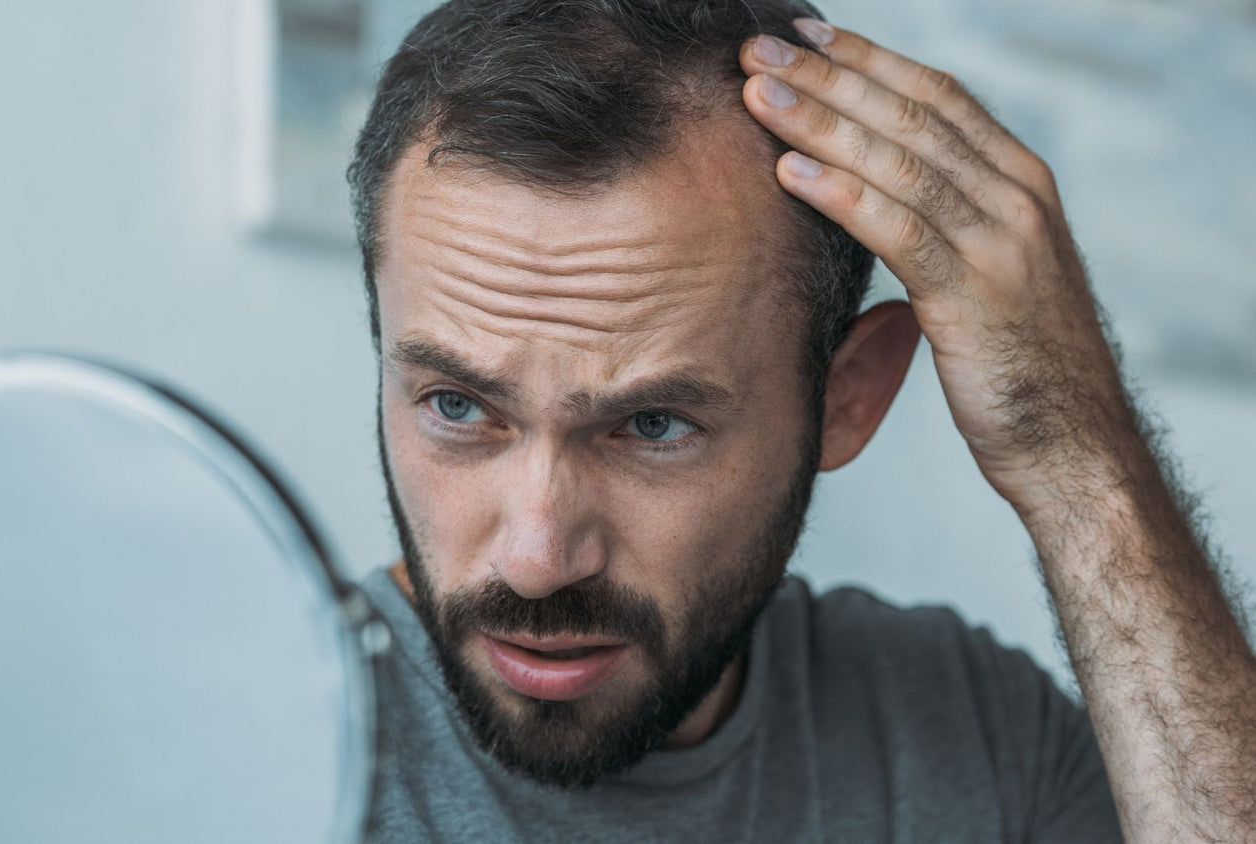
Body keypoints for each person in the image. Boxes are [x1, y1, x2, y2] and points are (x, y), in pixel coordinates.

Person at [343, 0, 1256, 840]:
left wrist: (1078, 456)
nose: (537, 560)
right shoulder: (247, 746)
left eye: (655, 425)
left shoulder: (980, 742)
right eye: (457, 407)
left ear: (847, 398)